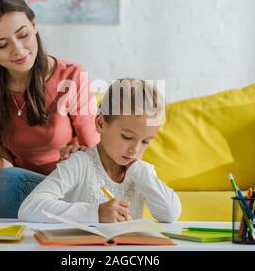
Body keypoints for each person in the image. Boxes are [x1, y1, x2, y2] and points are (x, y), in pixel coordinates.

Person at [0, 0, 99, 218]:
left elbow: (99, 156)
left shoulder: (72, 76)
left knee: (9, 179)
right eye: (1, 45)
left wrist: (79, 155)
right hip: (13, 180)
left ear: (34, 25)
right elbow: (5, 164)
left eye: (23, 35)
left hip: (62, 186)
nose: (18, 50)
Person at [18, 79, 182, 223]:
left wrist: (139, 171)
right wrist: (95, 213)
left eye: (145, 141)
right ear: (101, 123)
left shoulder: (142, 172)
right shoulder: (80, 163)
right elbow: (30, 207)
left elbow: (170, 213)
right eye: (126, 137)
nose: (135, 149)